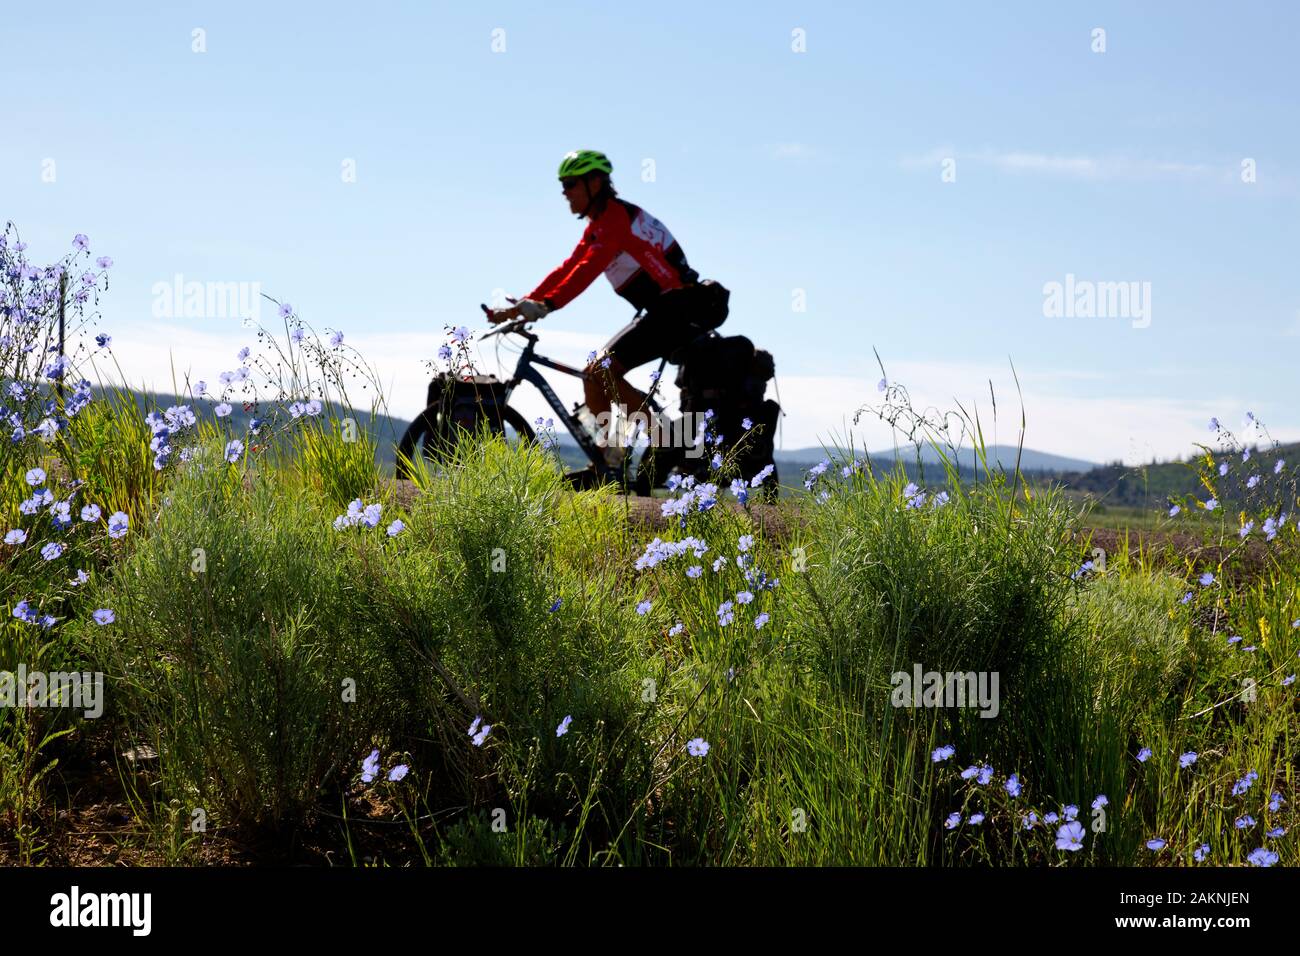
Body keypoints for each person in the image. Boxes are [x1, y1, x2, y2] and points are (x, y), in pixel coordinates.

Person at [487, 149, 712, 463]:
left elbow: (588, 270)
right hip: (661, 310)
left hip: (675, 310)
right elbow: (567, 268)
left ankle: (667, 438)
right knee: (594, 376)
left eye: (570, 184)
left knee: (601, 373)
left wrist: (547, 304)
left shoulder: (615, 220)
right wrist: (524, 305)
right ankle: (610, 460)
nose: (564, 192)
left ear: (594, 183)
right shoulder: (600, 223)